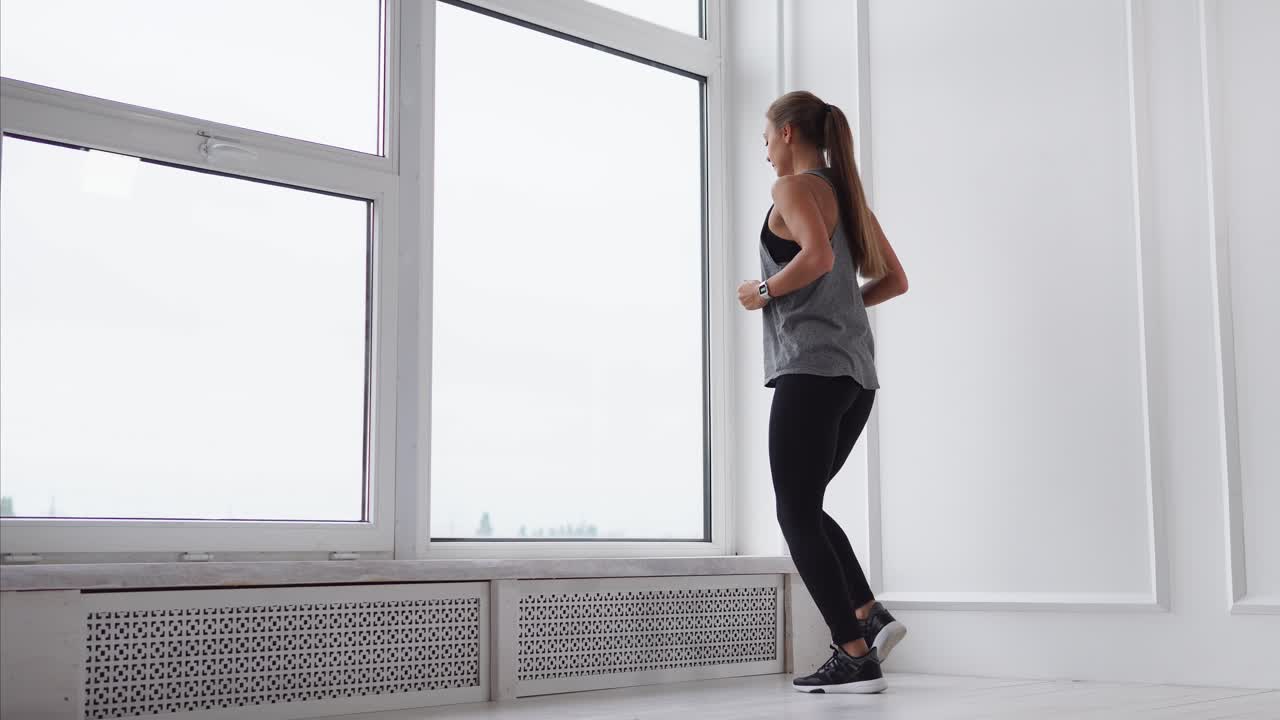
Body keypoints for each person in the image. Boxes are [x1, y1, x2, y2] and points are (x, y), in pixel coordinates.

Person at [737, 90, 909, 694]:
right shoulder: (847, 194)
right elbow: (895, 280)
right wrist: (839, 307)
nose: (765, 150)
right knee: (806, 505)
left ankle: (854, 653)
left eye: (766, 137)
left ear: (788, 133)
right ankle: (867, 614)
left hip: (810, 372)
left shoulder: (792, 188)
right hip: (855, 378)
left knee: (794, 512)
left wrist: (762, 290)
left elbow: (814, 258)